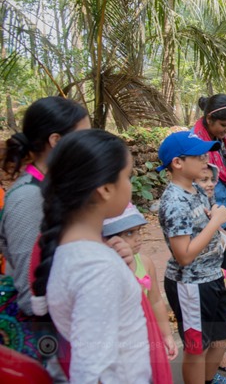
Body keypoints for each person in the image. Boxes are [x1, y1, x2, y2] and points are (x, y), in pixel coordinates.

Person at [32, 129, 151, 383]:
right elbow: (91, 372)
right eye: (127, 177)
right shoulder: (96, 267)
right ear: (106, 189)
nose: (129, 185)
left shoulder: (78, 253)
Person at [0, 97, 89, 377]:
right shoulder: (28, 198)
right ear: (56, 140)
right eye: (82, 137)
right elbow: (31, 293)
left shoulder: (56, 188)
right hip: (48, 337)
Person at [157, 131, 226, 384]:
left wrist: (222, 236)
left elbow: (204, 226)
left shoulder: (196, 190)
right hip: (190, 285)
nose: (205, 160)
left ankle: (207, 379)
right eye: (199, 156)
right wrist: (216, 222)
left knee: (222, 338)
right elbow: (183, 256)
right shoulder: (173, 202)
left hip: (212, 276)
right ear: (177, 163)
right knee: (196, 348)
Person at [102, 204, 178, 362]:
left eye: (138, 231)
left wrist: (166, 335)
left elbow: (156, 300)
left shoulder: (145, 263)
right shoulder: (104, 271)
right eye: (129, 233)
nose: (138, 238)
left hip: (146, 335)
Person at [195, 164, 226, 374]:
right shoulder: (188, 205)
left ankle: (212, 367)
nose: (210, 185)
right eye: (203, 180)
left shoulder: (209, 201)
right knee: (204, 333)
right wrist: (218, 226)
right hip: (199, 276)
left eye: (211, 180)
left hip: (215, 270)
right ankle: (212, 368)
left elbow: (215, 227)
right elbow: (187, 250)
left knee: (222, 331)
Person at [192, 94, 226, 271]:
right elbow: (199, 198)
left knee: (223, 275)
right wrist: (219, 232)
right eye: (223, 125)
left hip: (222, 218)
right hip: (206, 226)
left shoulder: (220, 142)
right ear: (209, 119)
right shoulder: (195, 147)